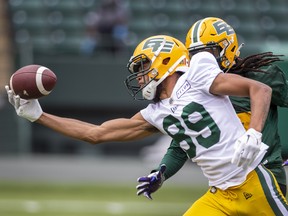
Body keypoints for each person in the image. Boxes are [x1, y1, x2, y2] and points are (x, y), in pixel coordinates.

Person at [5, 34, 288, 215]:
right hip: (220, 194)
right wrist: (39, 116)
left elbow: (260, 91)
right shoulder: (156, 113)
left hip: (254, 181)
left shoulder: (199, 72)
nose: (139, 77)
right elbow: (96, 133)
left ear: (164, 59)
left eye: (142, 67)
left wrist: (253, 133)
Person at [137, 17, 288, 203]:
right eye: (195, 53)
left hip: (265, 176)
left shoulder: (260, 77)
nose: (204, 57)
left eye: (209, 51)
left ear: (229, 47)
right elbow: (180, 146)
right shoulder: (195, 86)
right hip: (227, 186)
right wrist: (161, 172)